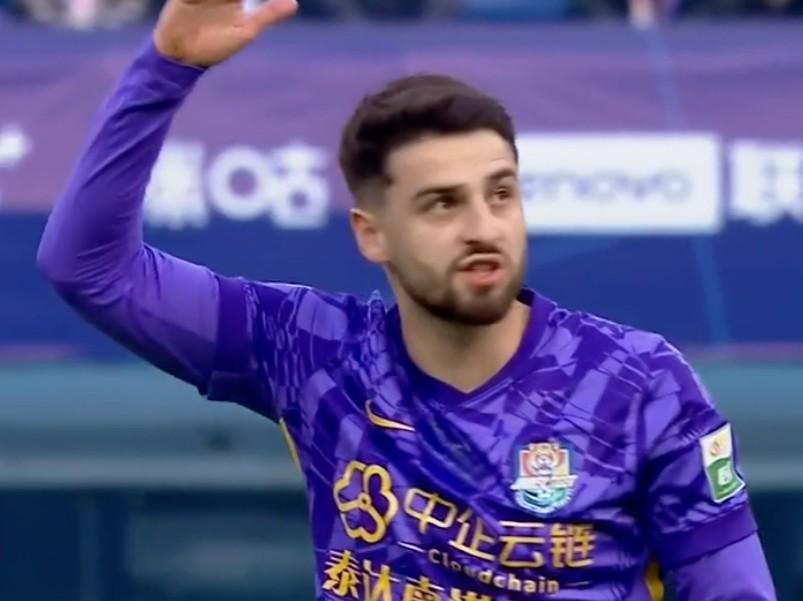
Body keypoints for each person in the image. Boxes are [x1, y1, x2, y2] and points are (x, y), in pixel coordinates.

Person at [37, 0, 777, 598]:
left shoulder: (640, 383)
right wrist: (166, 67)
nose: (483, 226)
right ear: (373, 234)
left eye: (500, 193)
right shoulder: (310, 350)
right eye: (442, 204)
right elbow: (88, 267)